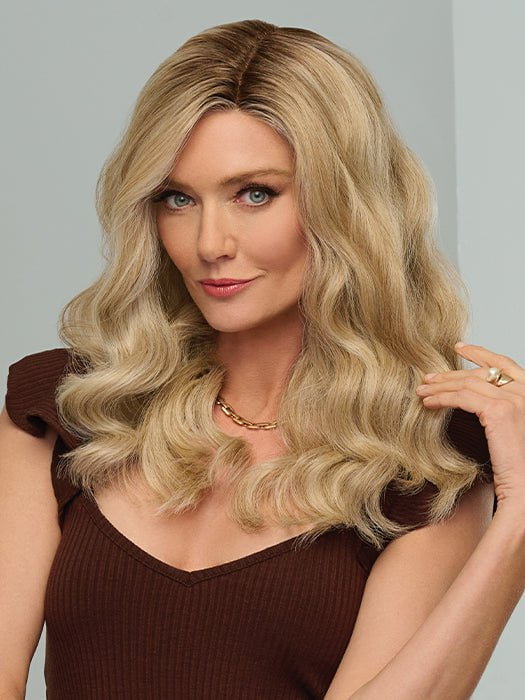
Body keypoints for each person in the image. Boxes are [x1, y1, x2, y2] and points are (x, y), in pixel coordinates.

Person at [1, 18, 523, 700]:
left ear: (345, 205)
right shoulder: (64, 410)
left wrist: (518, 524)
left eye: (255, 194)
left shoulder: (424, 461)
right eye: (178, 198)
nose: (209, 243)